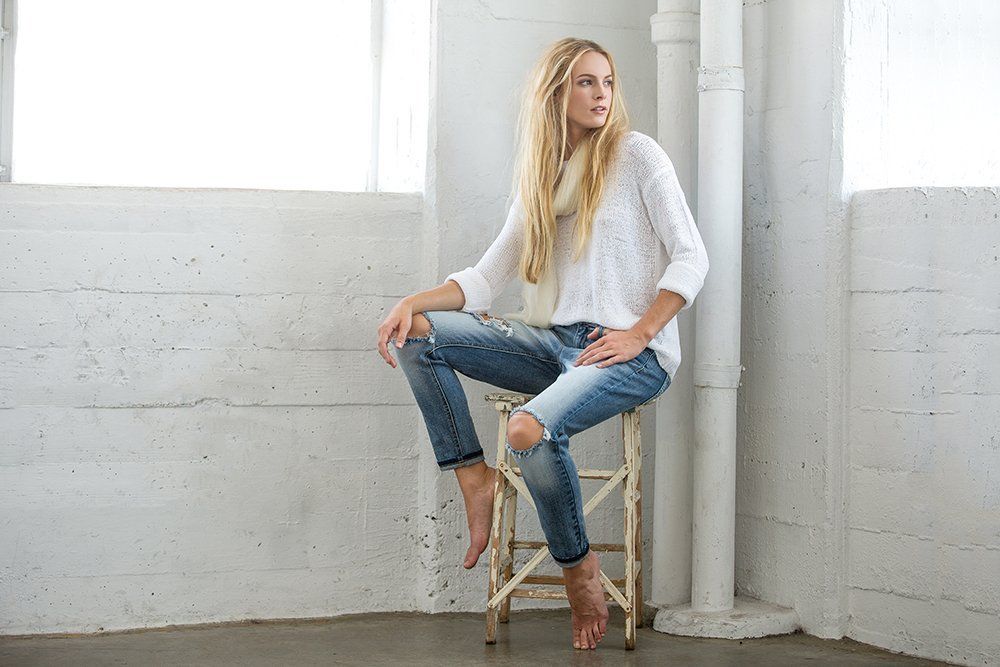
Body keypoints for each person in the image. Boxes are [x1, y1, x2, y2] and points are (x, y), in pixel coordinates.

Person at [375, 37, 709, 651]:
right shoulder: (541, 175)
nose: (602, 93)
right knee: (416, 336)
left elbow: (692, 257)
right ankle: (472, 475)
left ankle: (578, 565)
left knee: (527, 429)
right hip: (553, 342)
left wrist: (640, 332)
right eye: (586, 82)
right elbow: (485, 279)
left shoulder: (637, 156)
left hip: (631, 353)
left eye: (607, 81)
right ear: (556, 92)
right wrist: (413, 302)